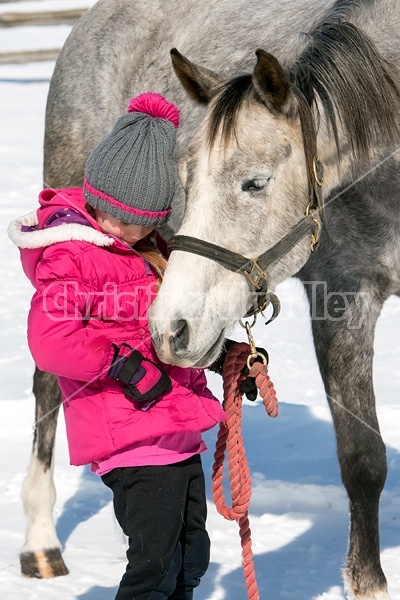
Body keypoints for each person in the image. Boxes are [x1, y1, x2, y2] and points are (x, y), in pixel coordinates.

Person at [8, 93, 229, 600]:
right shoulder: (71, 256)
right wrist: (123, 367)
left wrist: (223, 357)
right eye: (110, 211)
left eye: (137, 219)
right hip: (132, 437)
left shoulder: (152, 252)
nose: (119, 226)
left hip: (178, 429)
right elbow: (51, 341)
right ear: (93, 194)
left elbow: (165, 333)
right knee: (154, 566)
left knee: (189, 560)